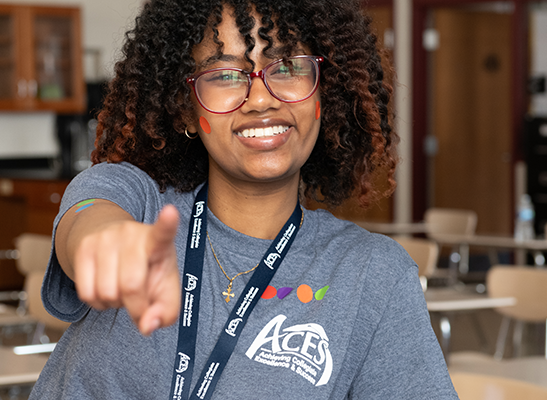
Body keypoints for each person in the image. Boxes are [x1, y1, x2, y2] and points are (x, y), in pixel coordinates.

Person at [30, 0, 458, 398]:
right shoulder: (138, 203)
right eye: (224, 75)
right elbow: (89, 214)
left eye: (287, 67)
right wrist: (105, 240)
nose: (259, 100)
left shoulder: (373, 277)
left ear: (325, 94)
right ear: (185, 110)